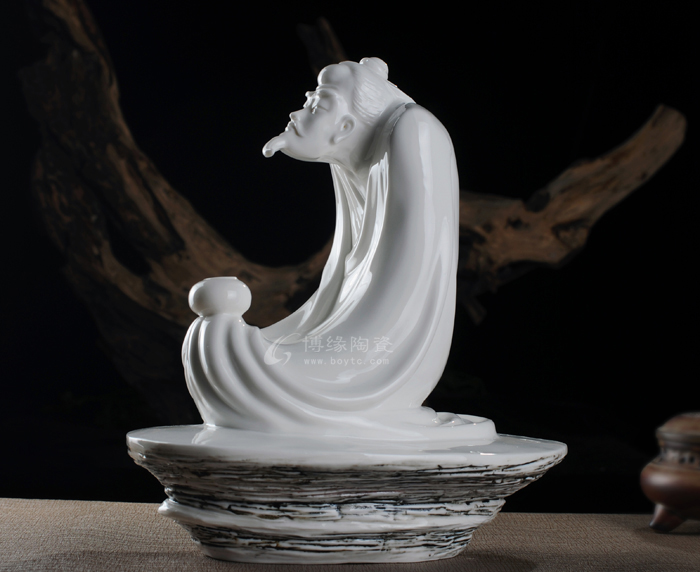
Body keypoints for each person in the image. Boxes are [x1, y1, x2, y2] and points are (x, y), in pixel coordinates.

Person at [183, 58, 495, 442]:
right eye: (307, 101)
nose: (296, 114)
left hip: (382, 354)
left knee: (234, 362)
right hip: (352, 336)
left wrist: (260, 356)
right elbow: (340, 285)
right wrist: (271, 347)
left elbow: (406, 284)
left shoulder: (415, 130)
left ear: (346, 127)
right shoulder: (351, 162)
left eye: (317, 106)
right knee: (227, 356)